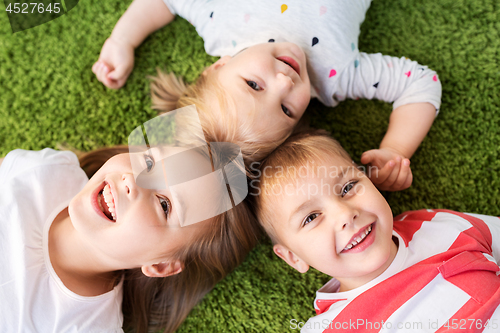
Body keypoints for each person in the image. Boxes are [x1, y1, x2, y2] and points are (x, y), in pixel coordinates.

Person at [92, 0, 442, 192]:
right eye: (287, 109)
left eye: (253, 85)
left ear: (216, 68)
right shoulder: (336, 77)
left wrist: (122, 40)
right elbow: (421, 83)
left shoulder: (219, 21)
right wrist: (396, 149)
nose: (284, 81)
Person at [252, 129, 500, 333]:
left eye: (348, 187)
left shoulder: (437, 225)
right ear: (293, 257)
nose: (345, 214)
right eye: (312, 217)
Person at [0, 143, 260, 332]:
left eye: (164, 205)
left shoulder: (86, 327)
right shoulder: (46, 171)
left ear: (161, 265)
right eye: (149, 163)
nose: (132, 182)